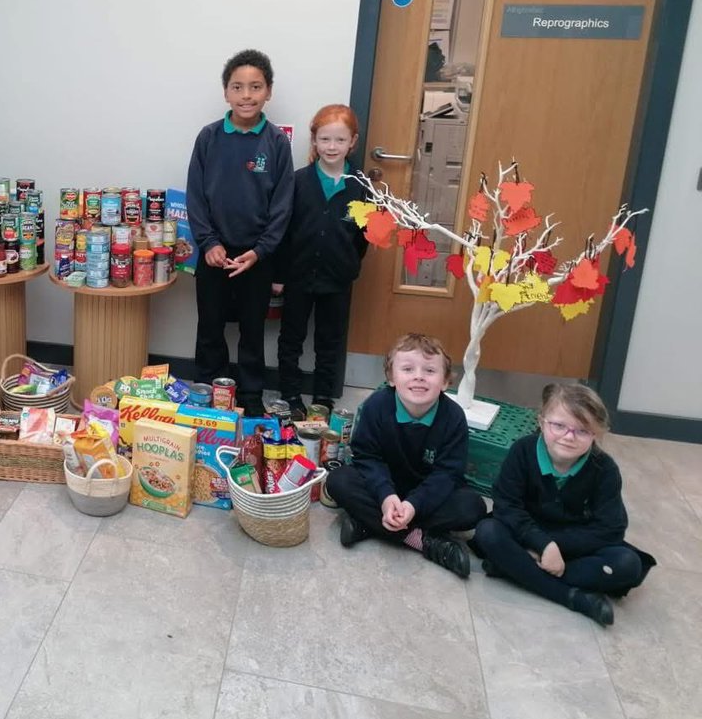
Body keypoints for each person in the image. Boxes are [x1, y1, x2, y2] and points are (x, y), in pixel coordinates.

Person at [470, 384, 656, 626]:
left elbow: (611, 528)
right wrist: (541, 544)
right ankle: (571, 597)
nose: (568, 437)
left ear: (596, 434)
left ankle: (513, 569)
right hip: (525, 534)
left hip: (574, 545)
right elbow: (506, 505)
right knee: (488, 532)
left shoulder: (605, 469)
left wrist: (553, 547)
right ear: (542, 422)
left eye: (582, 431)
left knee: (627, 564)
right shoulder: (523, 450)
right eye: (558, 426)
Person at [186, 48, 293, 417]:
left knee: (252, 330)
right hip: (213, 252)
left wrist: (261, 251)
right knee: (209, 327)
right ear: (226, 92)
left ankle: (250, 397)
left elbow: (283, 206)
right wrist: (208, 243)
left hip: (257, 257)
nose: (246, 95)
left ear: (269, 91)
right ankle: (207, 393)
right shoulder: (209, 137)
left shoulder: (276, 142)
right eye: (238, 87)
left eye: (255, 87)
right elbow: (196, 196)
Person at [326, 332, 486, 577]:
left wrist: (414, 505)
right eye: (408, 369)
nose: (418, 376)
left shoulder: (453, 417)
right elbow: (367, 457)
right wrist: (385, 496)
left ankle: (368, 524)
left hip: (429, 495)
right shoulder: (376, 406)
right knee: (338, 480)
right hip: (383, 488)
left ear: (445, 382)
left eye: (430, 371)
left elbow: (447, 474)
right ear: (392, 378)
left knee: (472, 508)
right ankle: (422, 541)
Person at [273, 104, 368, 417]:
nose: (332, 146)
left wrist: (349, 263)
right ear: (314, 140)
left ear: (352, 142)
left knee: (330, 340)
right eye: (325, 139)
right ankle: (290, 393)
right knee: (291, 337)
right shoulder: (298, 181)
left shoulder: (361, 187)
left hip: (338, 278)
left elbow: (364, 236)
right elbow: (284, 231)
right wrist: (279, 275)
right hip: (298, 274)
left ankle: (324, 397)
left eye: (340, 140)